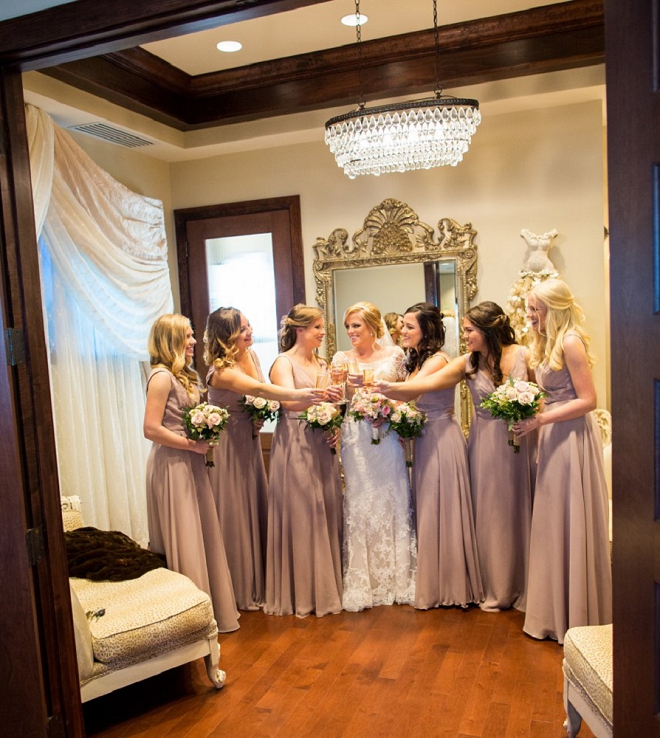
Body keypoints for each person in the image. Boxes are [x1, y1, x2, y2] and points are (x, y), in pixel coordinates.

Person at [376, 301, 535, 613]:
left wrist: (535, 422)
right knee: (490, 515)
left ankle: (525, 583)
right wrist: (384, 388)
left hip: (519, 442)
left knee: (519, 508)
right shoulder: (467, 362)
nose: (465, 336)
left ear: (488, 330)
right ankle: (495, 585)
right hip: (484, 445)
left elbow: (540, 396)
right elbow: (428, 384)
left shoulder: (521, 354)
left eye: (469, 330)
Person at [204, 307, 324, 612]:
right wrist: (299, 394)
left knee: (254, 506)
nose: (249, 331)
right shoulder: (221, 370)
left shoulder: (252, 357)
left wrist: (258, 415)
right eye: (243, 328)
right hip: (227, 445)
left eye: (248, 325)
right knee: (235, 511)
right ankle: (236, 587)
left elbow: (257, 399)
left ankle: (259, 581)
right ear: (227, 334)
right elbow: (258, 388)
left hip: (250, 440)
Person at [514, 279, 612, 644]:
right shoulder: (545, 343)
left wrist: (540, 419)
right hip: (554, 431)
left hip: (572, 435)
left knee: (569, 515)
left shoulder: (571, 341)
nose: (529, 316)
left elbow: (588, 399)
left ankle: (577, 614)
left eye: (534, 309)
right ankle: (553, 610)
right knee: (552, 519)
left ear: (553, 309)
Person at [143, 313, 239, 633]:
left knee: (202, 533)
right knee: (184, 536)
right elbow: (151, 428)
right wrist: (190, 444)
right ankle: (187, 624)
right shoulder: (160, 377)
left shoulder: (187, 374)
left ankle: (206, 613)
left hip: (192, 461)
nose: (194, 341)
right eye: (187, 335)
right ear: (171, 340)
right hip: (172, 465)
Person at [332, 301, 416, 612]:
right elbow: (336, 398)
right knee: (360, 498)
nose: (351, 332)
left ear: (372, 327)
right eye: (348, 327)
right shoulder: (341, 359)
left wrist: (391, 412)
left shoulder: (395, 355)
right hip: (356, 437)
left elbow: (406, 391)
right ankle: (363, 581)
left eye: (356, 325)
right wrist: (341, 387)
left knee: (393, 495)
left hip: (387, 432)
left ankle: (397, 578)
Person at [399, 303, 483, 609]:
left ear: (427, 330)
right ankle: (433, 578)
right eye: (402, 325)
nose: (402, 331)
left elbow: (409, 394)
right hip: (425, 439)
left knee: (442, 508)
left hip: (441, 439)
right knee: (428, 507)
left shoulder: (437, 361)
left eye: (409, 326)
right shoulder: (414, 359)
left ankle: (449, 584)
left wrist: (370, 391)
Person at [265, 305, 344, 618]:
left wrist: (334, 421)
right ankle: (303, 592)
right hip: (295, 439)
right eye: (317, 327)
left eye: (322, 327)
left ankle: (327, 586)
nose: (322, 332)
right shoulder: (283, 362)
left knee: (325, 506)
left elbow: (332, 400)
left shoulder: (323, 362)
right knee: (302, 510)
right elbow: (286, 399)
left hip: (321, 440)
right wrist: (320, 394)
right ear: (300, 330)